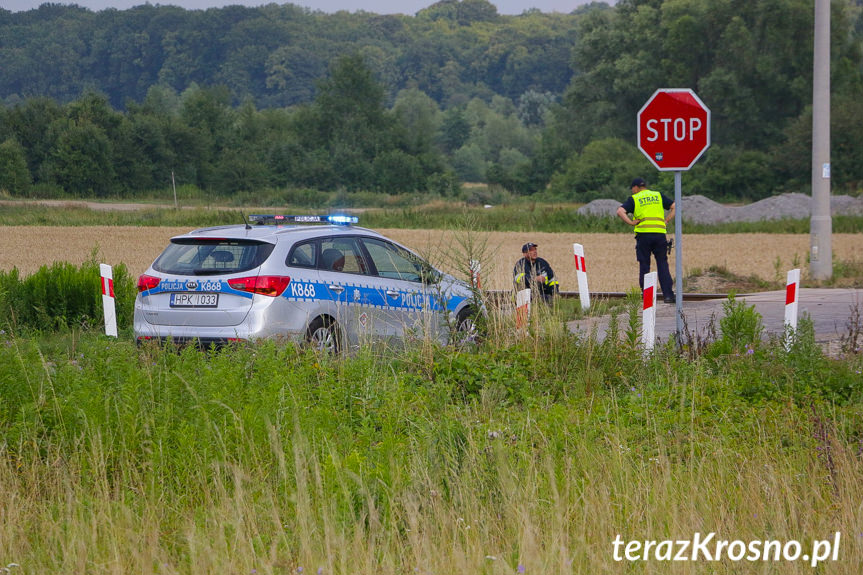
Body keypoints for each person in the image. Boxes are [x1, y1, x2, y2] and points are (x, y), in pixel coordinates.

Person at [616, 178, 676, 303]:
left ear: (636, 187)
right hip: (660, 235)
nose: (632, 192)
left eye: (632, 189)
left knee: (644, 265)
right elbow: (675, 206)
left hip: (643, 236)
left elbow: (620, 211)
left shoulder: (635, 198)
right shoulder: (658, 195)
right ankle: (668, 296)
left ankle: (647, 297)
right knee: (662, 264)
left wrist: (631, 222)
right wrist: (667, 220)